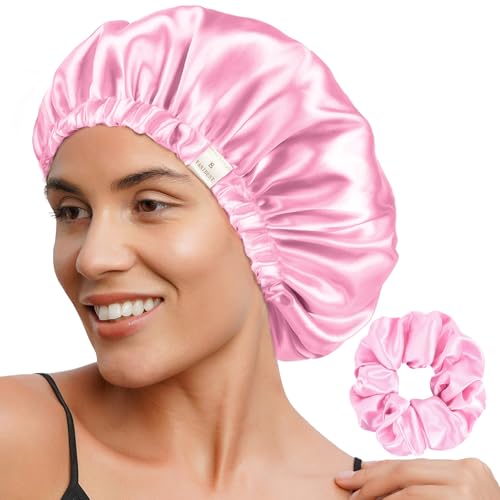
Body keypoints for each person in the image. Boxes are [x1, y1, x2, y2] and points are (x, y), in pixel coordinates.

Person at [1, 5, 498, 500]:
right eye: (71, 212)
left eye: (149, 204)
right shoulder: (16, 438)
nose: (92, 258)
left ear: (273, 219)